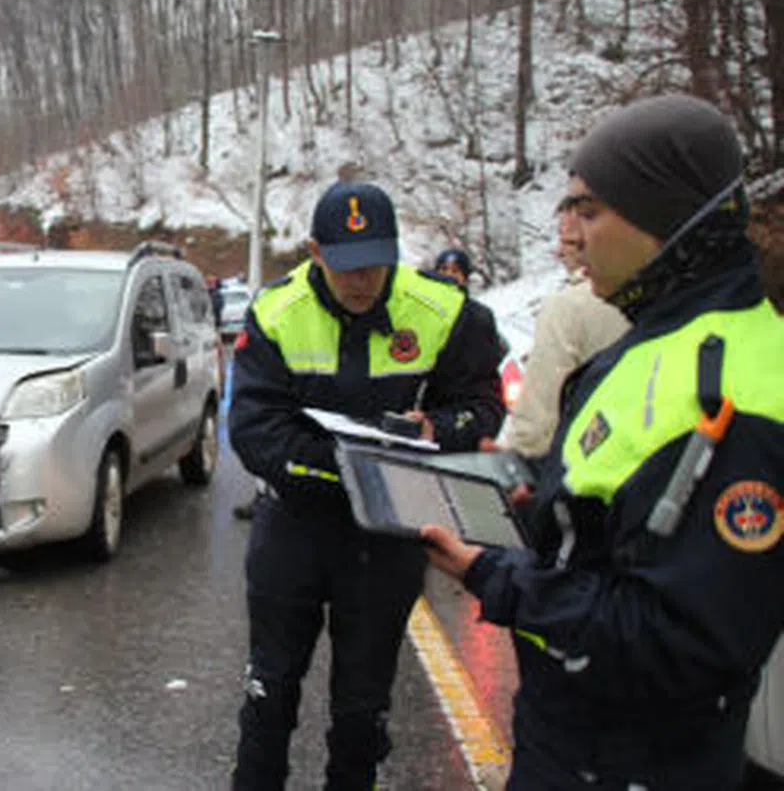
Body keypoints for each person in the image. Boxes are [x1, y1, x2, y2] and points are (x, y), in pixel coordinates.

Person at [423, 94, 784, 790]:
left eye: (589, 211)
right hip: (572, 738)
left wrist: (494, 577)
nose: (570, 235)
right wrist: (536, 502)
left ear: (665, 220)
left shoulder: (737, 388)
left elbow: (685, 639)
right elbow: (616, 522)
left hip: (634, 761)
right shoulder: (656, 334)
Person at [229, 180, 505, 789]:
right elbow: (253, 431)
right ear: (315, 252)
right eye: (347, 266)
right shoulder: (277, 311)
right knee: (268, 695)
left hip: (385, 531)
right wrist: (350, 468)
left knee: (361, 710)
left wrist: (438, 428)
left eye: (377, 265)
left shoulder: (444, 308)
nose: (362, 281)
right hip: (295, 523)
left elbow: (484, 405)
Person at [498, 202, 630, 458]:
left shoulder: (568, 307)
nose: (559, 253)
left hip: (585, 466)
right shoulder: (674, 297)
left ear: (592, 240)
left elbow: (535, 429)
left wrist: (511, 463)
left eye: (568, 243)